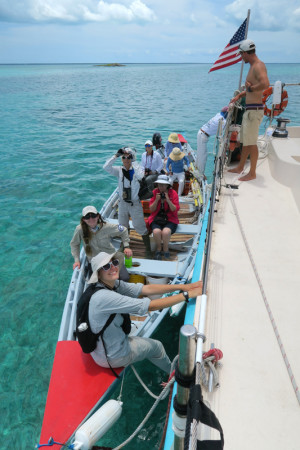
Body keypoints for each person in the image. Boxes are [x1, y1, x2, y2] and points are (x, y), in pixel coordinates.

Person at [88, 251, 203, 373]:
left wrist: (184, 287)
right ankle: (173, 374)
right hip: (112, 356)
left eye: (114, 262)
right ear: (98, 274)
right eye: (106, 266)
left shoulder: (109, 285)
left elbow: (145, 288)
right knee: (157, 347)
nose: (113, 267)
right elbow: (150, 306)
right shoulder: (104, 297)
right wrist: (187, 295)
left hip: (102, 346)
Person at [228, 39, 270, 181]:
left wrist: (250, 88)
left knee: (251, 143)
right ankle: (240, 167)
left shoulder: (258, 65)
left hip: (254, 111)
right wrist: (240, 94)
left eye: (241, 54)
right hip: (249, 110)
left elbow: (265, 84)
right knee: (246, 141)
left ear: (246, 52)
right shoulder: (252, 66)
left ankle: (252, 173)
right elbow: (251, 87)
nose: (241, 57)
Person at [103, 147, 152, 257]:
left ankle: (148, 249)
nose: (126, 159)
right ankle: (125, 245)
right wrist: (116, 155)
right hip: (123, 203)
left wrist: (133, 161)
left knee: (140, 226)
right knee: (122, 225)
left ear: (132, 158)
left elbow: (141, 176)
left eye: (128, 157)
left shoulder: (138, 169)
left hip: (135, 204)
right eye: (123, 157)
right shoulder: (119, 170)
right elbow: (106, 167)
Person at [70, 205, 133, 279]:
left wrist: (126, 246)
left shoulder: (107, 226)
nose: (91, 219)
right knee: (97, 283)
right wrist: (77, 260)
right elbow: (74, 244)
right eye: (87, 217)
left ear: (98, 216)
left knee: (125, 278)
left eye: (93, 215)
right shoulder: (79, 229)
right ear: (84, 219)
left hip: (111, 257)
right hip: (95, 261)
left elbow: (124, 230)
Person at [148, 175, 180, 260]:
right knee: (156, 231)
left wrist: (168, 200)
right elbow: (151, 209)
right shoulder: (155, 192)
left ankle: (165, 248)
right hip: (157, 218)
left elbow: (174, 209)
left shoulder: (173, 193)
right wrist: (156, 200)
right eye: (159, 184)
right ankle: (159, 248)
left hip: (170, 218)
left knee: (166, 232)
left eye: (163, 184)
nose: (161, 186)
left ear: (167, 185)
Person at [196, 106, 228, 176]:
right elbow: (225, 132)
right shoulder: (223, 121)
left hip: (201, 132)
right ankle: (200, 174)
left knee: (200, 153)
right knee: (203, 156)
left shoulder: (218, 115)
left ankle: (197, 168)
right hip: (203, 135)